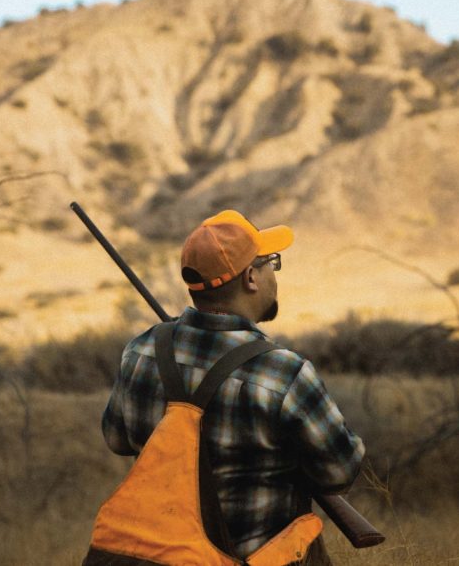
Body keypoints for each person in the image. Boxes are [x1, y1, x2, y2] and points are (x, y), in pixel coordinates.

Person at [101, 209, 364, 565]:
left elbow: (117, 440)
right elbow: (340, 471)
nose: (274, 273)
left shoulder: (141, 350)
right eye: (271, 262)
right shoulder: (284, 372)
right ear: (251, 278)